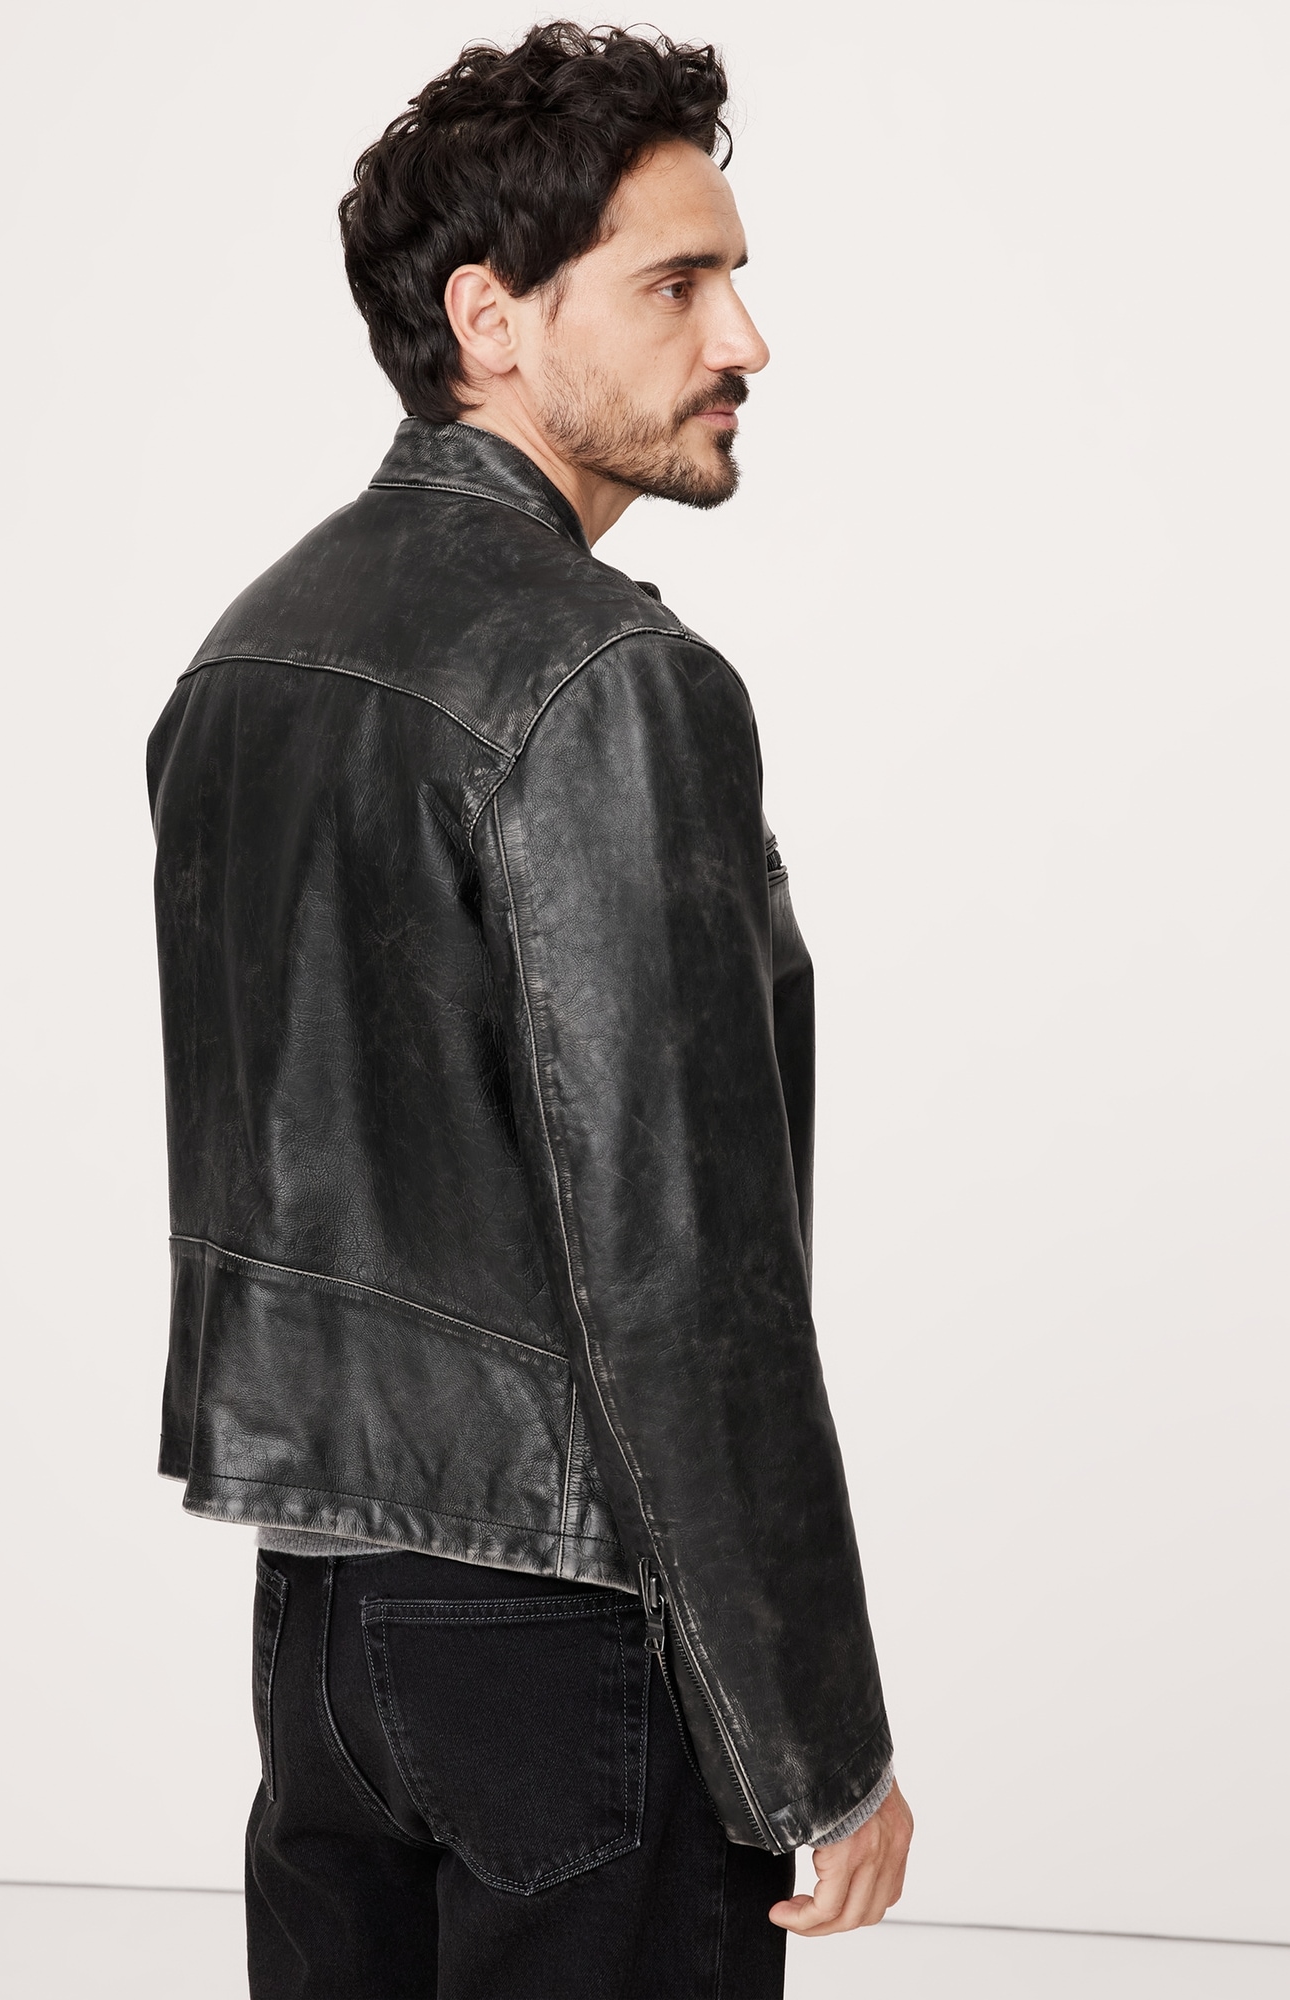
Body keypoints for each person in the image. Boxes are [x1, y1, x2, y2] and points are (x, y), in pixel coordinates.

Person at [147, 23, 912, 1997]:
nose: (746, 338)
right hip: (573, 1632)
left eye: (735, 278)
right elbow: (684, 1271)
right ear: (488, 318)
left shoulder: (245, 660)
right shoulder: (606, 683)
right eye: (678, 283)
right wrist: (815, 1740)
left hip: (321, 1625)